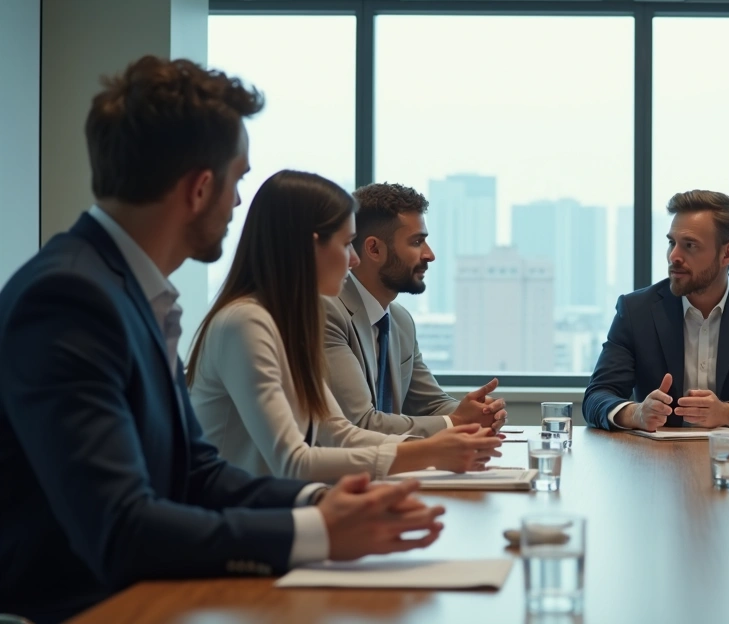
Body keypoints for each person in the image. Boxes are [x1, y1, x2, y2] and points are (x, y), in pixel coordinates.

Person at [0, 57, 444, 623]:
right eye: (236, 180)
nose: (239, 202)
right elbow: (122, 528)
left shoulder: (129, 291)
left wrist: (323, 503)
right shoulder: (69, 298)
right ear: (200, 187)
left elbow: (195, 473)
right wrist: (315, 531)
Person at [188, 171, 503, 483]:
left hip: (274, 508)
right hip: (239, 520)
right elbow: (293, 461)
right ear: (312, 247)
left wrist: (438, 444)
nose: (354, 261)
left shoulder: (288, 324)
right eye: (347, 244)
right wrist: (430, 451)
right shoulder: (246, 322)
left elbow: (341, 435)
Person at [583, 190, 729, 432]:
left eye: (690, 245)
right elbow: (596, 396)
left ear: (727, 253)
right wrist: (636, 413)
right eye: (671, 243)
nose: (674, 256)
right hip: (658, 460)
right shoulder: (636, 310)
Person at [322, 182, 507, 437]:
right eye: (417, 242)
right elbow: (360, 423)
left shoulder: (399, 320)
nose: (429, 255)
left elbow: (431, 404)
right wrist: (456, 422)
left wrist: (478, 413)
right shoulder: (328, 312)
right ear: (374, 249)